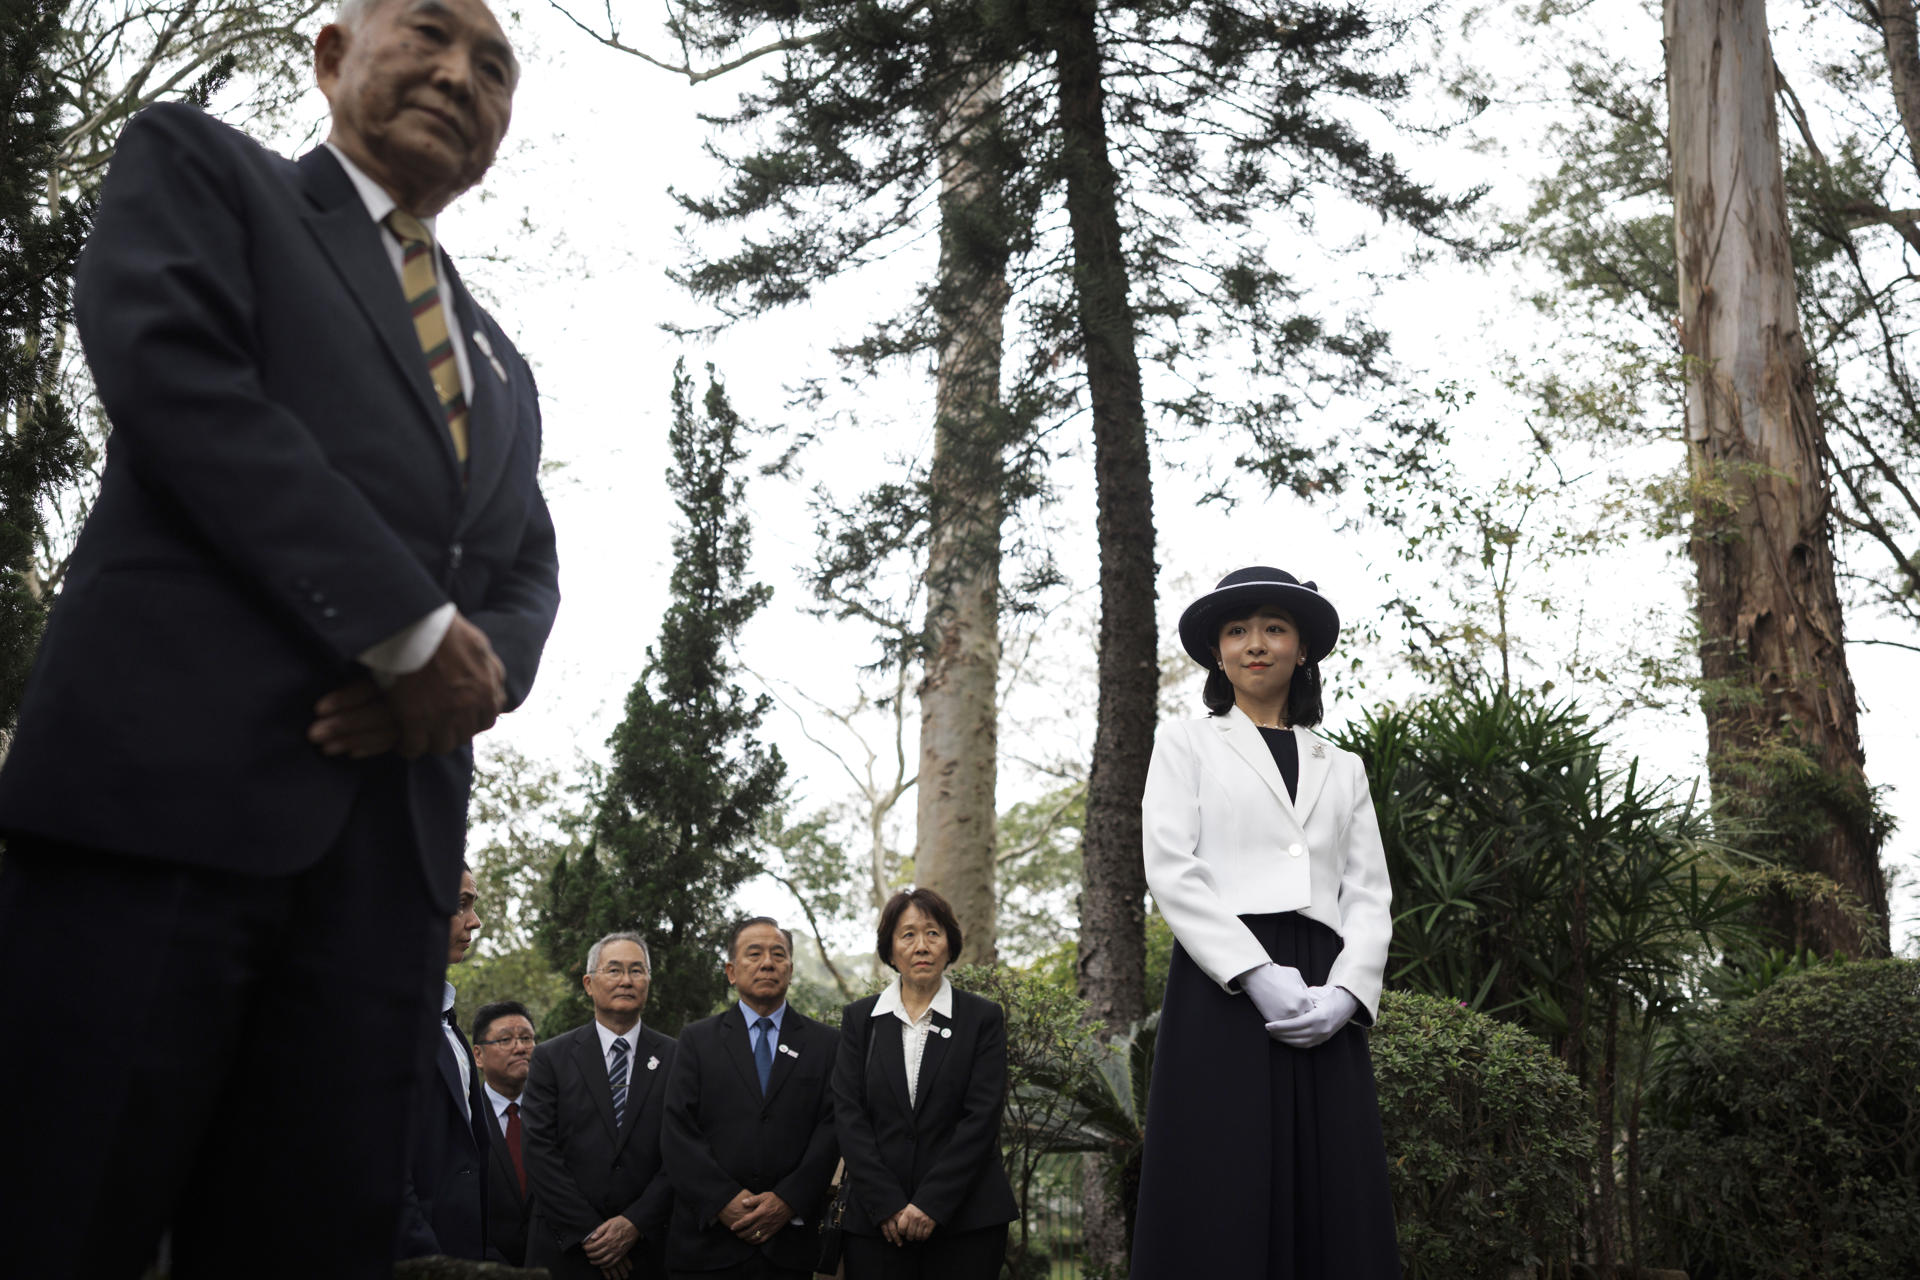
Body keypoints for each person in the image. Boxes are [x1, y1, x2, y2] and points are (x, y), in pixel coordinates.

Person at [0, 0, 559, 1270]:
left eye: (495, 68)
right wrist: (406, 632)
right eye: (428, 33)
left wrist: (466, 678)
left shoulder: (503, 365)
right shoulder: (204, 170)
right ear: (329, 56)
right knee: (62, 1210)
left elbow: (526, 567)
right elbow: (177, 376)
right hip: (162, 818)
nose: (460, 76)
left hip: (382, 875)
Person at [1129, 566, 1399, 1279]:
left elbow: (1369, 894)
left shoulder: (1343, 767)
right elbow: (1171, 867)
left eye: (1275, 628)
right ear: (1218, 652)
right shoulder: (1185, 745)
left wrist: (1348, 994)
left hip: (1324, 989)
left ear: (1301, 649)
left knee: (1332, 1182)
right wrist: (1252, 972)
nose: (1257, 643)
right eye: (1238, 630)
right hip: (1222, 984)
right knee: (1222, 1178)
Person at [832, 888, 1018, 1280]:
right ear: (890, 949)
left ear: (949, 945)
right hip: (876, 1224)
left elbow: (980, 1118)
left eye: (933, 933)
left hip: (967, 1222)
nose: (922, 946)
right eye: (908, 935)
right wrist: (886, 1204)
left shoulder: (981, 1018)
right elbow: (849, 1116)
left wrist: (931, 1204)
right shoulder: (860, 1020)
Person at [661, 917, 841, 1280]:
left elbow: (832, 1129)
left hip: (788, 1246)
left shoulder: (826, 1044)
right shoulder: (697, 1040)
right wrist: (723, 1201)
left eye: (778, 955)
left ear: (790, 970)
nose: (767, 963)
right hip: (707, 1244)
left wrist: (787, 1201)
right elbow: (677, 1130)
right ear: (731, 971)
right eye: (754, 953)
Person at [524, 932, 678, 1279]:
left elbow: (684, 1150)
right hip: (567, 1250)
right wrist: (591, 1233)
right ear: (589, 983)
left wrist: (634, 1224)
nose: (626, 980)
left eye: (637, 971)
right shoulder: (551, 1057)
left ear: (648, 982)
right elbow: (539, 1152)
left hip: (650, 1250)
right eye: (614, 970)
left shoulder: (678, 1058)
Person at [397, 866, 496, 1260]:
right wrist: (427, 1257)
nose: (475, 921)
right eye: (461, 905)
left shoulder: (449, 1022)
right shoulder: (376, 1020)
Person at [473, 999, 540, 1266]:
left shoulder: (557, 1114)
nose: (520, 1048)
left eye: (527, 1038)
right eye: (505, 1040)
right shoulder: (466, 1120)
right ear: (478, 1055)